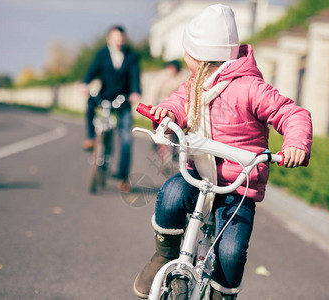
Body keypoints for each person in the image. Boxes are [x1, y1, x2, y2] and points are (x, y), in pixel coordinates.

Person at [133, 4, 312, 300]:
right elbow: (179, 103)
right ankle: (163, 256)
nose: (184, 57)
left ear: (202, 57)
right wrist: (167, 112)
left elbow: (291, 113)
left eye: (187, 52)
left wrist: (295, 144)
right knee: (171, 196)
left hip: (237, 185)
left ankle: (221, 293)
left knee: (230, 252)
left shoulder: (251, 88)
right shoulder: (195, 84)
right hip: (198, 174)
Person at [81, 25, 141, 192]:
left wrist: (136, 92)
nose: (118, 41)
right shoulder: (101, 54)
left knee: (126, 139)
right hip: (105, 97)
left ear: (124, 39)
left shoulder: (131, 56)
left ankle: (122, 178)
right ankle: (91, 137)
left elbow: (135, 76)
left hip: (123, 101)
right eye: (115, 38)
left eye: (121, 38)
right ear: (109, 39)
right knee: (90, 103)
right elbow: (92, 70)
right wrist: (84, 83)